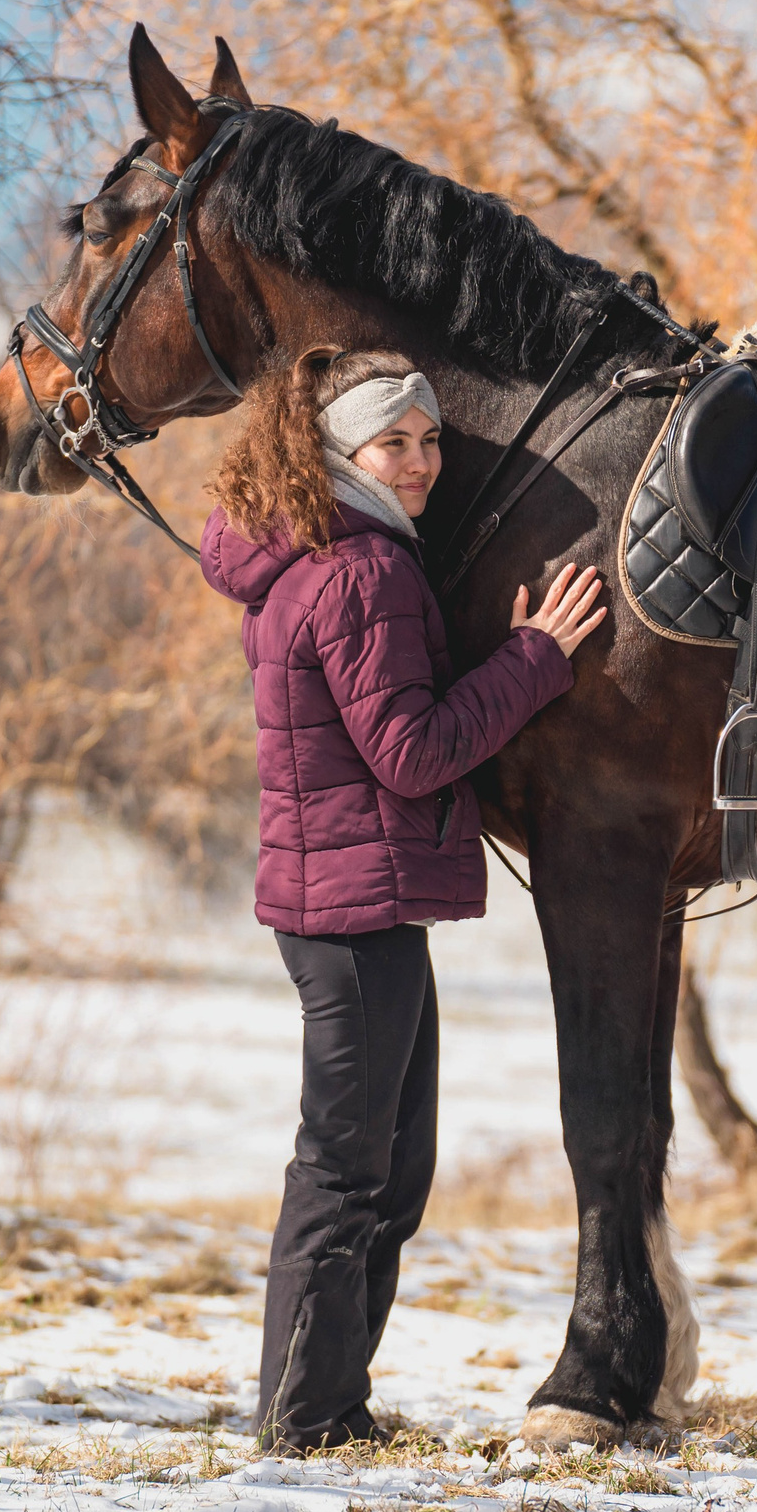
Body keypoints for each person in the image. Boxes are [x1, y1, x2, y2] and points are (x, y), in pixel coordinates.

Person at [199, 347, 605, 1452]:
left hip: (351, 900)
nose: (419, 462)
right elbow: (413, 752)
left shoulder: (334, 555)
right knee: (345, 1170)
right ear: (340, 450)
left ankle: (328, 1404)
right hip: (352, 908)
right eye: (394, 442)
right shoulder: (362, 573)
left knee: (387, 1170)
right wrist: (534, 657)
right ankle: (304, 1417)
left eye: (430, 439)